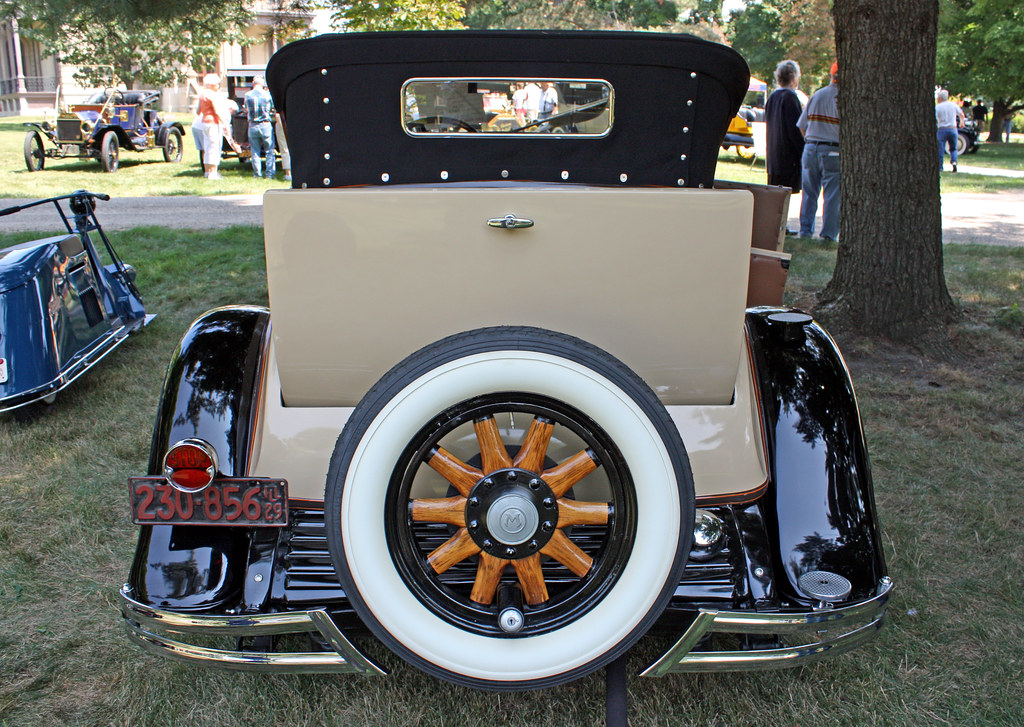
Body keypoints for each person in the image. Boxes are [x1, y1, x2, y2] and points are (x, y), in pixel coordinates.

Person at [796, 61, 840, 241]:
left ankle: (805, 231)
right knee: (832, 195)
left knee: (809, 192)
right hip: (833, 150)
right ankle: (828, 235)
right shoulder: (845, 99)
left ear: (831, 75)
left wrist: (810, 140)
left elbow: (802, 125)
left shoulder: (818, 95)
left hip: (810, 147)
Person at [765, 59, 805, 195]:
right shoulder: (790, 98)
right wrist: (803, 152)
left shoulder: (773, 97)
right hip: (788, 160)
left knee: (776, 197)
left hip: (773, 158)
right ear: (794, 78)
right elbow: (795, 131)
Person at [193, 73, 235, 180]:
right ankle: (213, 172)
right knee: (214, 147)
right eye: (217, 84)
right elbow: (217, 111)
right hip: (213, 122)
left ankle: (207, 171)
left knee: (207, 147)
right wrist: (225, 123)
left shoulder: (202, 95)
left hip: (204, 122)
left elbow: (198, 111)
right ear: (212, 85)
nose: (218, 86)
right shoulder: (213, 95)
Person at [244, 75, 276, 179]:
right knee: (269, 150)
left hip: (253, 125)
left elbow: (246, 110)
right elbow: (272, 109)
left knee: (255, 151)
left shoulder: (248, 95)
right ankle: (269, 174)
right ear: (263, 84)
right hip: (265, 124)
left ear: (253, 82)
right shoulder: (267, 95)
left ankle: (257, 174)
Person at [935, 89, 965, 172]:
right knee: (953, 148)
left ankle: (940, 167)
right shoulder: (953, 105)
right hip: (953, 129)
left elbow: (935, 118)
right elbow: (961, 114)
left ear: (940, 98)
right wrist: (962, 122)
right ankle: (954, 161)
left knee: (940, 149)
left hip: (942, 129)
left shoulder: (938, 107)